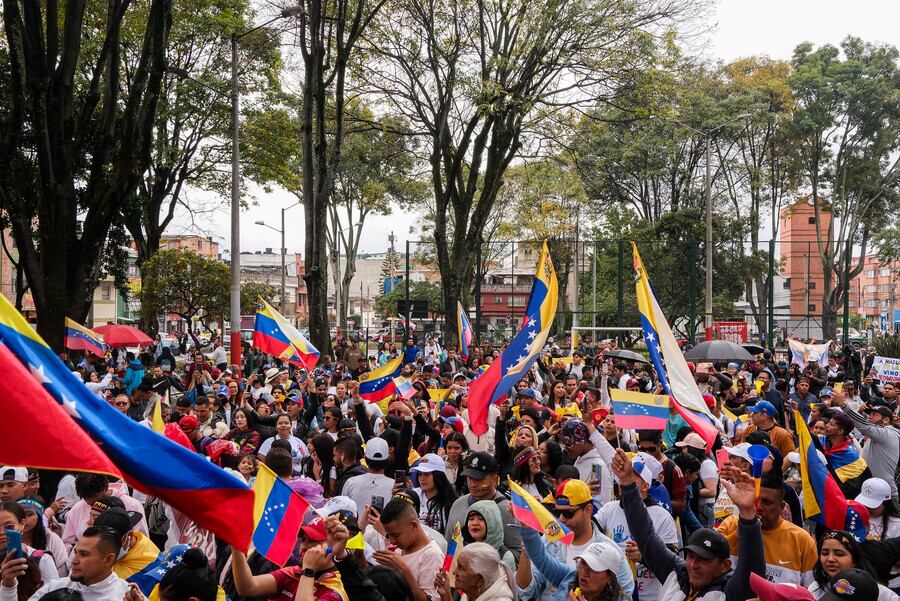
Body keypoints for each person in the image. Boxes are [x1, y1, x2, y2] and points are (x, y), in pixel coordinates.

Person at [611, 449, 765, 601]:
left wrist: (747, 513)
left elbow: (750, 572)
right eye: (691, 556)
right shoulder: (676, 573)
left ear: (725, 566)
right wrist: (627, 483)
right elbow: (645, 535)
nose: (693, 565)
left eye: (704, 560)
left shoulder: (728, 594)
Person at [514, 479, 634, 601]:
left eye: (568, 513)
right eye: (558, 512)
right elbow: (526, 591)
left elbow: (626, 594)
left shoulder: (613, 552)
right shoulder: (549, 544)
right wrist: (526, 550)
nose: (561, 518)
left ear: (588, 510)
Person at [716, 470, 816, 586]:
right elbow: (710, 568)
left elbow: (810, 590)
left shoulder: (801, 540)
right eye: (755, 500)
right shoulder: (730, 525)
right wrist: (738, 535)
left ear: (782, 507)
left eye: (767, 503)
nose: (758, 507)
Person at [595, 460, 676, 601]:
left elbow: (673, 558)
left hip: (651, 595)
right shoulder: (609, 509)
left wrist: (644, 556)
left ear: (645, 486)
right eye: (622, 476)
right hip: (616, 595)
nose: (623, 480)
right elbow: (590, 533)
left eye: (631, 477)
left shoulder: (662, 516)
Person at [229, 517, 347, 601]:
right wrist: (237, 546)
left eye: (313, 541)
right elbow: (247, 587)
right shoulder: (293, 573)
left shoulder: (335, 589)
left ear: (330, 547)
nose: (304, 545)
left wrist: (309, 570)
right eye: (303, 539)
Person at [0, 527, 129, 601]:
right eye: (76, 552)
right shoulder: (54, 588)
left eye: (84, 554)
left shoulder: (125, 596)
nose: (74, 561)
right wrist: (8, 586)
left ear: (108, 560)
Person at [445, 453, 521, 562]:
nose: (472, 484)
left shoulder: (506, 509)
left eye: (479, 479)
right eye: (469, 478)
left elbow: (518, 553)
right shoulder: (458, 504)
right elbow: (449, 545)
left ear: (494, 479)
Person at [375, 499, 444, 601]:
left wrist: (404, 570)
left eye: (395, 535)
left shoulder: (431, 555)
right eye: (388, 535)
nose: (392, 541)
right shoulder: (400, 548)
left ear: (413, 525)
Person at [838, 399, 900, 501]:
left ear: (886, 420)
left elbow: (863, 425)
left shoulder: (888, 433)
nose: (870, 417)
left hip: (885, 496)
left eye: (874, 414)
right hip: (870, 490)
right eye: (869, 414)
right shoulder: (878, 435)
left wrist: (844, 405)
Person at [808, 531, 899, 600]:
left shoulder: (882, 594)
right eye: (824, 553)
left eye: (839, 554)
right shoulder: (815, 589)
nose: (830, 559)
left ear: (855, 559)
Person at [342, 438, 396, 528]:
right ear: (387, 459)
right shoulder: (395, 486)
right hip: (384, 538)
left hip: (355, 538)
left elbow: (342, 512)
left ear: (365, 458)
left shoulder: (351, 482)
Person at [557, 421, 611, 508]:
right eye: (563, 444)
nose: (566, 449)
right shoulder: (579, 458)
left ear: (582, 441)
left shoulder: (597, 468)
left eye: (568, 443)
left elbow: (600, 505)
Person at [434, 543, 516, 601]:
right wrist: (446, 596)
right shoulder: (472, 592)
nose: (454, 572)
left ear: (479, 579)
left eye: (461, 568)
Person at [17, 498, 68, 578]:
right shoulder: (8, 538)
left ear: (39, 517)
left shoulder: (51, 539)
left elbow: (61, 571)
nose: (23, 519)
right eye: (19, 515)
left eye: (29, 514)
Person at [461, 502, 516, 570]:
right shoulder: (461, 549)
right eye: (471, 519)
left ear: (492, 523)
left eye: (481, 519)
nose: (474, 523)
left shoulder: (504, 556)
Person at [411, 454, 458, 533]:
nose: (422, 478)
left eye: (426, 474)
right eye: (420, 474)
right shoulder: (413, 495)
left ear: (438, 476)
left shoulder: (451, 501)